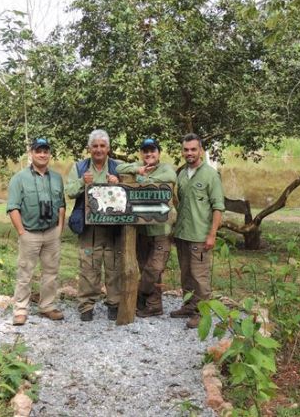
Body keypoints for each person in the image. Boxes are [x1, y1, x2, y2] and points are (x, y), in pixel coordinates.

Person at [6, 138, 66, 326]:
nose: (42, 154)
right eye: (38, 151)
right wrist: (22, 232)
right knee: (25, 272)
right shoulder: (19, 178)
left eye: (45, 151)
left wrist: (60, 228)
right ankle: (21, 309)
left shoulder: (56, 178)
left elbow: (62, 205)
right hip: (29, 233)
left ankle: (47, 306)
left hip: (51, 233)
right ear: (31, 153)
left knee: (51, 272)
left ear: (49, 154)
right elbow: (13, 207)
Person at [65, 129, 122, 321]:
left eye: (102, 146)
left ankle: (114, 303)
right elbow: (70, 191)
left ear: (108, 148)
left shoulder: (118, 167)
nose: (98, 149)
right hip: (89, 227)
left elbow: (137, 179)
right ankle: (86, 305)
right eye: (95, 146)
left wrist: (120, 182)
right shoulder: (79, 168)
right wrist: (83, 182)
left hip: (114, 227)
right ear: (89, 148)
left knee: (114, 265)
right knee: (88, 266)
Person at [117, 137, 177, 317]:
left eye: (152, 151)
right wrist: (137, 170)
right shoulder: (138, 166)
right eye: (145, 151)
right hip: (142, 230)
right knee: (144, 266)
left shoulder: (165, 168)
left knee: (154, 268)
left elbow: (170, 178)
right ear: (141, 153)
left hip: (161, 230)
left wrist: (144, 179)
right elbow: (119, 169)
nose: (149, 154)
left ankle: (139, 295)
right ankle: (154, 305)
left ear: (159, 153)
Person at [171, 133, 225, 329]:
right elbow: (180, 202)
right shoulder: (182, 174)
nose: (189, 153)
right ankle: (188, 306)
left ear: (201, 150)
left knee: (199, 277)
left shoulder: (210, 175)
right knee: (186, 274)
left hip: (200, 236)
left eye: (193, 149)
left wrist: (212, 234)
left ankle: (202, 314)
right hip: (183, 234)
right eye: (186, 150)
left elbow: (218, 206)